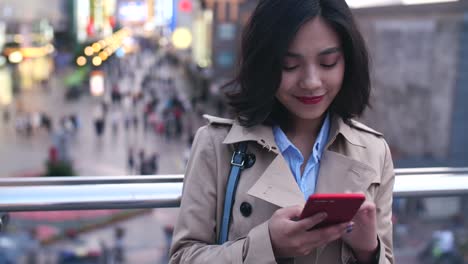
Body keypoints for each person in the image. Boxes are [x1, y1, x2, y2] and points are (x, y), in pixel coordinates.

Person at [169, 0, 395, 263]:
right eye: (289, 65)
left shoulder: (373, 151)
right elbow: (183, 257)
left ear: (348, 62)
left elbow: (387, 256)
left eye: (328, 63)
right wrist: (268, 246)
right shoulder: (216, 145)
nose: (311, 82)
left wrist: (369, 250)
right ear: (264, 64)